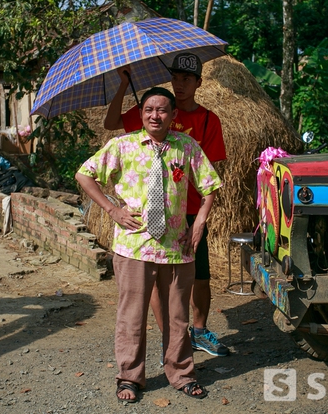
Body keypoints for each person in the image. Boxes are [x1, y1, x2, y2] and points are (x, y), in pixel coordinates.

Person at [76, 87, 222, 402]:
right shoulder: (122, 146)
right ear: (141, 114)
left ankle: (182, 374)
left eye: (162, 110)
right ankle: (129, 378)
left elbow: (210, 185)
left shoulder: (186, 147)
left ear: (173, 115)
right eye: (149, 110)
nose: (155, 115)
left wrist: (199, 221)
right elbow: (85, 175)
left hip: (177, 246)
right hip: (134, 246)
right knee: (132, 314)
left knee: (177, 316)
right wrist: (113, 209)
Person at [104, 53, 229, 358]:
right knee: (159, 278)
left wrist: (200, 218)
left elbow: (211, 171)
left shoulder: (208, 120)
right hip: (155, 211)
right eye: (176, 78)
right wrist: (123, 84)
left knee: (200, 274)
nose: (180, 84)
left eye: (187, 79)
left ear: (198, 82)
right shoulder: (157, 110)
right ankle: (171, 339)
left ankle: (199, 331)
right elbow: (111, 124)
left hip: (189, 210)